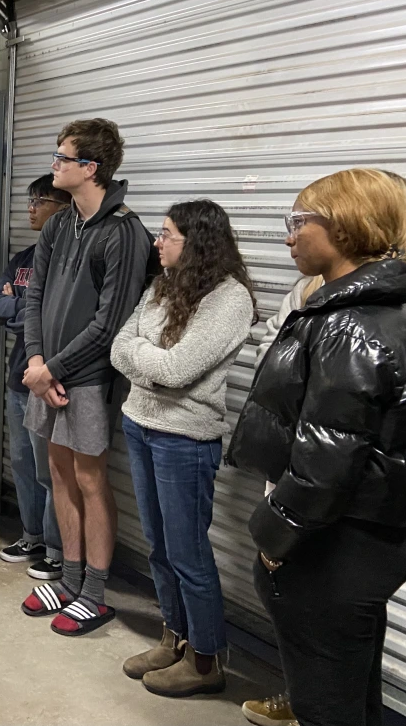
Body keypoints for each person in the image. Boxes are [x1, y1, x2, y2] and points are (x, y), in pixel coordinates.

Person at [229, 169, 406, 726]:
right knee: (349, 692)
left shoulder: (350, 326)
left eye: (299, 222)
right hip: (369, 535)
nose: (288, 236)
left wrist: (276, 539)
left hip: (337, 545)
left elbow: (328, 458)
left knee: (325, 705)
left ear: (345, 227)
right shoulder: (382, 313)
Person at [111, 200, 256, 696]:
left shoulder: (228, 299)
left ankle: (205, 659)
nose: (158, 241)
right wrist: (150, 361)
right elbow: (118, 346)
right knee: (158, 548)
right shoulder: (162, 286)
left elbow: (178, 371)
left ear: (196, 242)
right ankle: (173, 638)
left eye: (167, 234)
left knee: (188, 553)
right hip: (139, 424)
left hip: (184, 439)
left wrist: (144, 360)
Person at [20, 118, 154, 635]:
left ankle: (95, 593)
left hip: (88, 379)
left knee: (90, 480)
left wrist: (53, 368)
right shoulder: (59, 225)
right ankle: (69, 579)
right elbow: (35, 295)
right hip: (44, 375)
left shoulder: (123, 233)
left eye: (63, 158)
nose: (54, 165)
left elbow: (111, 324)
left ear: (90, 168)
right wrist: (35, 362)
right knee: (57, 476)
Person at [0, 175, 70, 578]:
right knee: (21, 462)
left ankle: (56, 550)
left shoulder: (66, 262)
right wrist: (28, 311)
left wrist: (21, 308)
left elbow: (56, 317)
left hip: (50, 381)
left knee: (50, 471)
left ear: (64, 208)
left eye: (40, 201)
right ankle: (31, 533)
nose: (31, 208)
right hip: (18, 376)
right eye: (30, 200)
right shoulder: (24, 259)